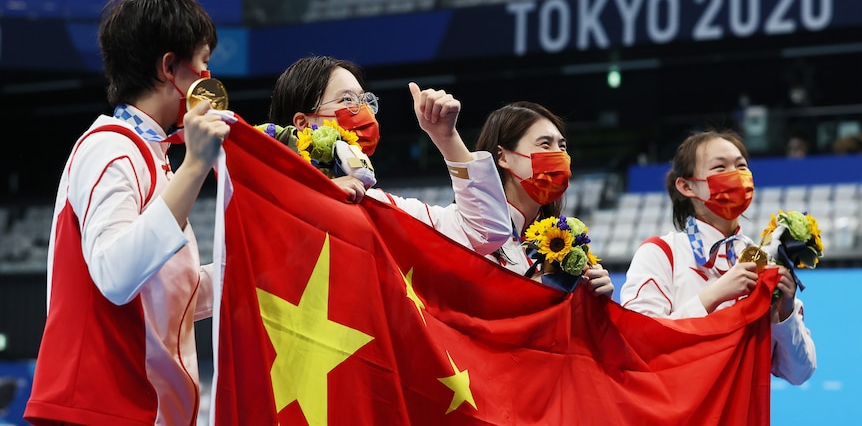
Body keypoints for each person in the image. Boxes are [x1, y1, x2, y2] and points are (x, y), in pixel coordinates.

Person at [25, 0, 233, 425]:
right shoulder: (109, 148)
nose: (209, 75)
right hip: (98, 411)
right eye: (203, 61)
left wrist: (263, 266)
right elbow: (115, 275)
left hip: (139, 413)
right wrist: (197, 165)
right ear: (170, 68)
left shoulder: (154, 161)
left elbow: (175, 297)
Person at [619, 129, 816, 385]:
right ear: (686, 185)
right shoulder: (661, 253)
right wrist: (714, 295)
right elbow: (637, 347)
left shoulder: (764, 262)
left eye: (741, 166)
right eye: (720, 167)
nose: (735, 175)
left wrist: (785, 314)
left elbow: (800, 373)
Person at [264, 55, 511, 257]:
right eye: (347, 99)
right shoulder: (261, 194)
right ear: (302, 123)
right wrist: (320, 197)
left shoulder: (381, 206)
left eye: (365, 101)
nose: (363, 112)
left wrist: (446, 138)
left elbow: (486, 232)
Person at [474, 101, 614, 297]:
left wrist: (593, 299)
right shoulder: (472, 231)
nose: (559, 154)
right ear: (503, 156)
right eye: (545, 144)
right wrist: (534, 290)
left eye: (562, 146)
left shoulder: (560, 243)